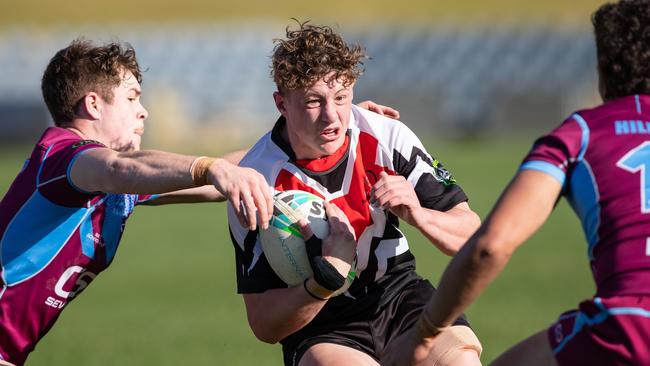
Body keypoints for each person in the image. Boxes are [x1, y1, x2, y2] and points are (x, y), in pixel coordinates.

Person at [0, 39, 396, 366]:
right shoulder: (61, 156)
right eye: (132, 97)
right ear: (92, 105)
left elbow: (239, 170)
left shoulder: (113, 186)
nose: (144, 111)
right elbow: (120, 167)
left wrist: (337, 129)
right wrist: (206, 167)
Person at [382, 1, 650, 365]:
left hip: (629, 327)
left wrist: (424, 331)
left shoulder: (580, 135)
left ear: (603, 69)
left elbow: (490, 247)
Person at [227, 21, 483, 366]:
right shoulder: (256, 182)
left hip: (400, 296)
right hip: (322, 325)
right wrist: (325, 279)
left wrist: (419, 215)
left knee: (460, 360)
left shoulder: (387, 137)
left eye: (341, 97)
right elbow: (263, 323)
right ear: (281, 103)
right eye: (313, 101)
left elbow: (474, 237)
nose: (331, 116)